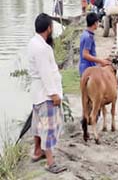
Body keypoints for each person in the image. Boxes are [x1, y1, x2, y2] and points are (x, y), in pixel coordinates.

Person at [28, 13, 66, 174]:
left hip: (37, 93)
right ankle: (50, 162)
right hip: (45, 94)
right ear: (49, 28)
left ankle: (38, 151)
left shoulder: (33, 43)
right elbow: (46, 74)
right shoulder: (42, 48)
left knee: (38, 125)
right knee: (49, 128)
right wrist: (54, 94)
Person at [79, 12, 110, 76]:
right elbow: (85, 55)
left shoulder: (84, 34)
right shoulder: (88, 37)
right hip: (88, 67)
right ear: (95, 23)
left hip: (83, 66)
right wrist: (100, 61)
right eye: (98, 22)